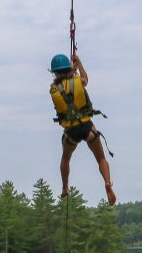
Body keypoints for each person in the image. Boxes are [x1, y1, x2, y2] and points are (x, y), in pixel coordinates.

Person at [49, 53, 116, 206]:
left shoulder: (53, 90)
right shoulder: (78, 81)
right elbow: (85, 79)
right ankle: (107, 182)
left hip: (71, 131)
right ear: (68, 68)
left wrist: (71, 72)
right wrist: (78, 63)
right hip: (87, 127)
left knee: (66, 158)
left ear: (54, 72)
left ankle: (65, 187)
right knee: (101, 158)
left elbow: (64, 86)